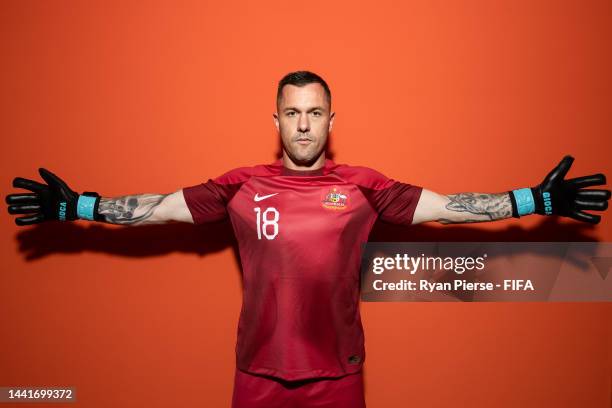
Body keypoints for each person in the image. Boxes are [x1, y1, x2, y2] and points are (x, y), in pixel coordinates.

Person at [5, 71, 610, 408]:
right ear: (275, 121)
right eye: (291, 113)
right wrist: (76, 205)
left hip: (338, 377)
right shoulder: (240, 184)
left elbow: (450, 210)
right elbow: (158, 210)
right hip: (258, 374)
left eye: (314, 112)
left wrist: (537, 200)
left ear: (331, 120)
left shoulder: (366, 185)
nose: (302, 124)